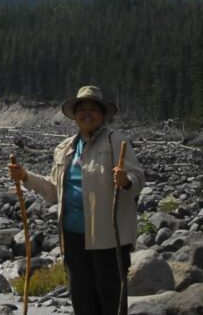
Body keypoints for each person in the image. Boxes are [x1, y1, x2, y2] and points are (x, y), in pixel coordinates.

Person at [8, 85, 144, 315]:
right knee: (82, 299)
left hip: (108, 238)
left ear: (102, 115)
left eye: (93, 108)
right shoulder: (64, 148)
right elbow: (53, 191)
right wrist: (24, 177)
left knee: (111, 300)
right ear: (75, 115)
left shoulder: (115, 142)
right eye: (82, 108)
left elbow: (138, 178)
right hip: (72, 239)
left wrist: (125, 181)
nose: (87, 113)